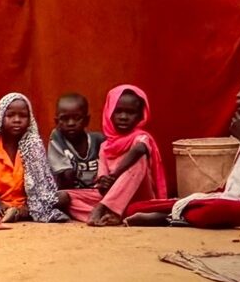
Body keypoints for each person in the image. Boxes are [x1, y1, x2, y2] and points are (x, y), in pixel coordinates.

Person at [125, 67, 240, 228]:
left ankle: (167, 218)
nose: (238, 95)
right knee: (136, 207)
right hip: (234, 199)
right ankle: (176, 214)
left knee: (214, 210)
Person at [56, 85, 167, 226]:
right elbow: (102, 184)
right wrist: (103, 182)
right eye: (118, 111)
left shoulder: (141, 138)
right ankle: (115, 214)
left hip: (138, 197)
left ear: (140, 116)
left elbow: (139, 149)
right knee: (63, 197)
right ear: (109, 113)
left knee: (139, 160)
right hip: (113, 199)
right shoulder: (105, 146)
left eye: (130, 112)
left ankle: (102, 209)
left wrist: (114, 175)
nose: (123, 117)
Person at [0, 94, 68, 223]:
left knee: (63, 197)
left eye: (23, 116)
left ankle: (17, 213)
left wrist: (27, 204)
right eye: (10, 115)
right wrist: (0, 204)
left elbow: (40, 183)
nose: (17, 120)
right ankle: (0, 215)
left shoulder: (34, 147)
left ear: (30, 118)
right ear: (0, 118)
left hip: (27, 202)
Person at [48, 94, 106, 189]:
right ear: (57, 122)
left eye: (77, 118)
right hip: (70, 191)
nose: (71, 123)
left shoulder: (99, 140)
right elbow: (67, 177)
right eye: (64, 119)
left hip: (97, 191)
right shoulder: (57, 138)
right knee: (61, 196)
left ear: (86, 120)